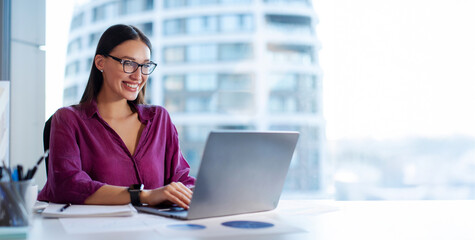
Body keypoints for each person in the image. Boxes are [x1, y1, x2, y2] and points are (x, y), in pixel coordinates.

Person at [38, 24, 195, 209]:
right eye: (129, 63)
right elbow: (67, 185)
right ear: (100, 63)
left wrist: (198, 194)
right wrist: (144, 196)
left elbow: (182, 179)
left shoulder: (159, 119)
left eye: (145, 65)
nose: (138, 76)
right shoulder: (67, 119)